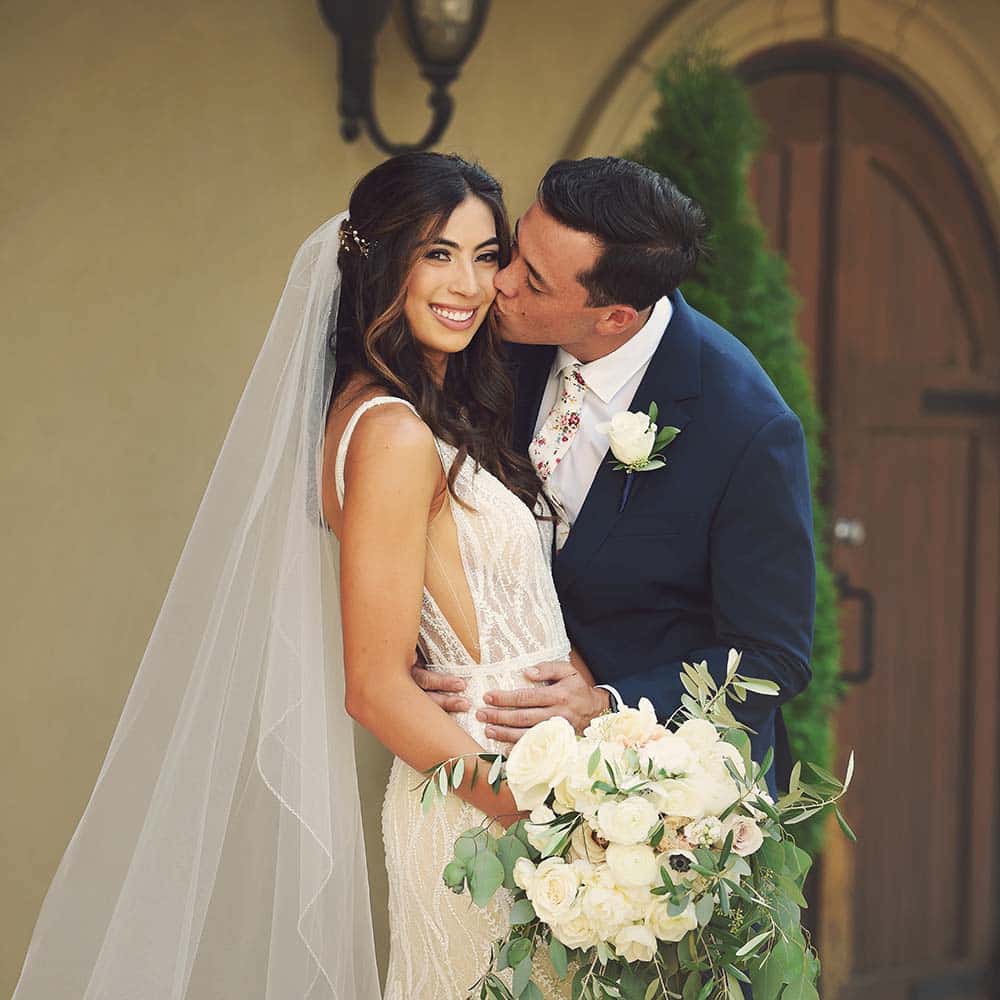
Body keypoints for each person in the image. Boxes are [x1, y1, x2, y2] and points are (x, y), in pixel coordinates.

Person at [11, 153, 588, 1000]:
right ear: (381, 263)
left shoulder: (410, 410)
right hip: (486, 818)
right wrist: (532, 816)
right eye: (437, 253)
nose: (468, 282)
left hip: (524, 797)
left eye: (485, 253)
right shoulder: (391, 433)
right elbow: (375, 689)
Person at [415, 156, 815, 797]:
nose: (502, 282)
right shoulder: (487, 340)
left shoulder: (745, 426)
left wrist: (607, 704)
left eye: (535, 282)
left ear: (615, 318)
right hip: (492, 761)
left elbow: (772, 658)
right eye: (515, 248)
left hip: (660, 803)